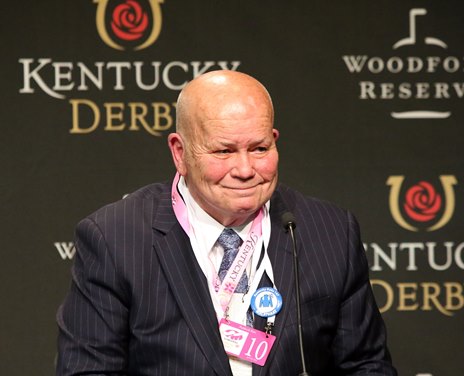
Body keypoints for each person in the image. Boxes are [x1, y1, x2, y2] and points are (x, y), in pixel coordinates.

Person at [56, 70, 397, 375]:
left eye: (260, 148)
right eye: (224, 151)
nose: (246, 169)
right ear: (180, 152)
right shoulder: (115, 238)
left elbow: (366, 365)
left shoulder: (331, 231)